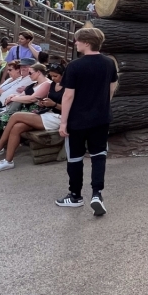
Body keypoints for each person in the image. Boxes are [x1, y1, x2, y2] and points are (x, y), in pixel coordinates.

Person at [56, 27, 117, 215]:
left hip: (77, 120)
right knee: (99, 156)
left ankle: (75, 195)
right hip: (101, 118)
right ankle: (97, 193)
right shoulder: (109, 63)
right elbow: (112, 88)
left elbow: (68, 96)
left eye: (77, 41)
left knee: (75, 157)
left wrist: (63, 122)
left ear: (87, 43)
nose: (76, 43)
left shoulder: (75, 66)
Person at [0, 63, 66, 171]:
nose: (53, 79)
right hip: (48, 113)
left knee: (16, 115)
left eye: (56, 76)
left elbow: (71, 108)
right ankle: (8, 161)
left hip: (59, 118)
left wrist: (53, 104)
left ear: (64, 75)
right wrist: (44, 103)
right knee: (17, 127)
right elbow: (48, 100)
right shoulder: (54, 85)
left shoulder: (70, 87)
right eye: (52, 76)